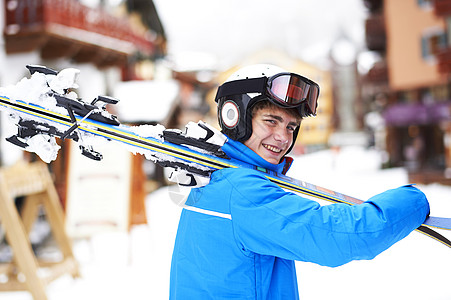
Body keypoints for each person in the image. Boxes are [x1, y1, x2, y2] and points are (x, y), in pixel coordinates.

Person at [169, 64, 429, 299]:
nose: (283, 137)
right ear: (234, 118)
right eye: (271, 121)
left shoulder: (212, 179)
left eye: (291, 127)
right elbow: (345, 236)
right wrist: (415, 199)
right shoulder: (244, 191)